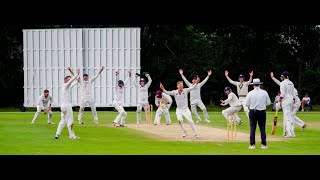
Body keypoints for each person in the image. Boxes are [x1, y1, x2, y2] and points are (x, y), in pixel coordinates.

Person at [54, 67, 80, 140]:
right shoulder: (65, 85)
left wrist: (73, 73)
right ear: (65, 80)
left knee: (63, 121)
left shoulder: (68, 86)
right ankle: (71, 136)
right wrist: (77, 74)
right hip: (67, 106)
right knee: (71, 120)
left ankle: (57, 134)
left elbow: (77, 81)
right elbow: (72, 80)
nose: (69, 80)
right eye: (68, 79)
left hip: (63, 106)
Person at [245, 78, 271, 149]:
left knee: (252, 128)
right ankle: (264, 144)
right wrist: (262, 104)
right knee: (262, 128)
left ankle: (252, 144)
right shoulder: (264, 92)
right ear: (259, 84)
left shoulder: (250, 93)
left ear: (253, 85)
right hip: (262, 112)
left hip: (253, 111)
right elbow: (268, 103)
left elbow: (246, 104)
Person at [279, 71, 296, 137]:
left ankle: (289, 133)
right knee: (289, 116)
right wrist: (293, 101)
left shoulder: (283, 83)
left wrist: (278, 102)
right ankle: (289, 132)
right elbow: (293, 94)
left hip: (285, 101)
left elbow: (282, 94)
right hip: (291, 101)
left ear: (283, 77)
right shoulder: (291, 83)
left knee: (287, 117)